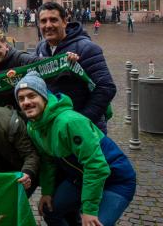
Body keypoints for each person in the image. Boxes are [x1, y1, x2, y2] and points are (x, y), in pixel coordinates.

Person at [15, 72, 136, 226]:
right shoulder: (33, 127)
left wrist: (89, 210)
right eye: (21, 98)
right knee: (50, 211)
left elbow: (96, 167)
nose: (26, 102)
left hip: (115, 180)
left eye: (32, 96)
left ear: (44, 97)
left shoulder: (69, 122)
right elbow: (47, 161)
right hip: (80, 178)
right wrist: (47, 192)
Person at [35, 2, 116, 133]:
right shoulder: (40, 48)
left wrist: (81, 121)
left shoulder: (86, 48)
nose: (48, 25)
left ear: (64, 22)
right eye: (43, 21)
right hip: (55, 127)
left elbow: (106, 88)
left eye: (53, 20)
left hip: (85, 130)